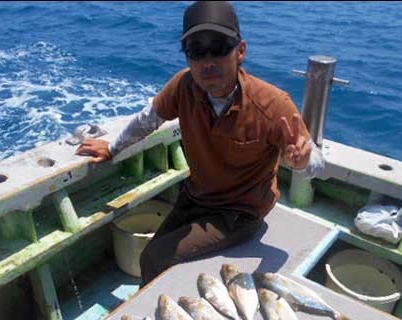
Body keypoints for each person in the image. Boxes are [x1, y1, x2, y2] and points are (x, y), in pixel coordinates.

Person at [76, 1, 323, 284]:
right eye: (196, 50)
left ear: (240, 51)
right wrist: (112, 148)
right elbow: (148, 119)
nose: (207, 62)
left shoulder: (273, 104)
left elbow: (316, 161)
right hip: (194, 197)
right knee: (153, 254)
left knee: (155, 258)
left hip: (239, 212)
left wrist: (302, 163)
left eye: (219, 47)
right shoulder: (184, 86)